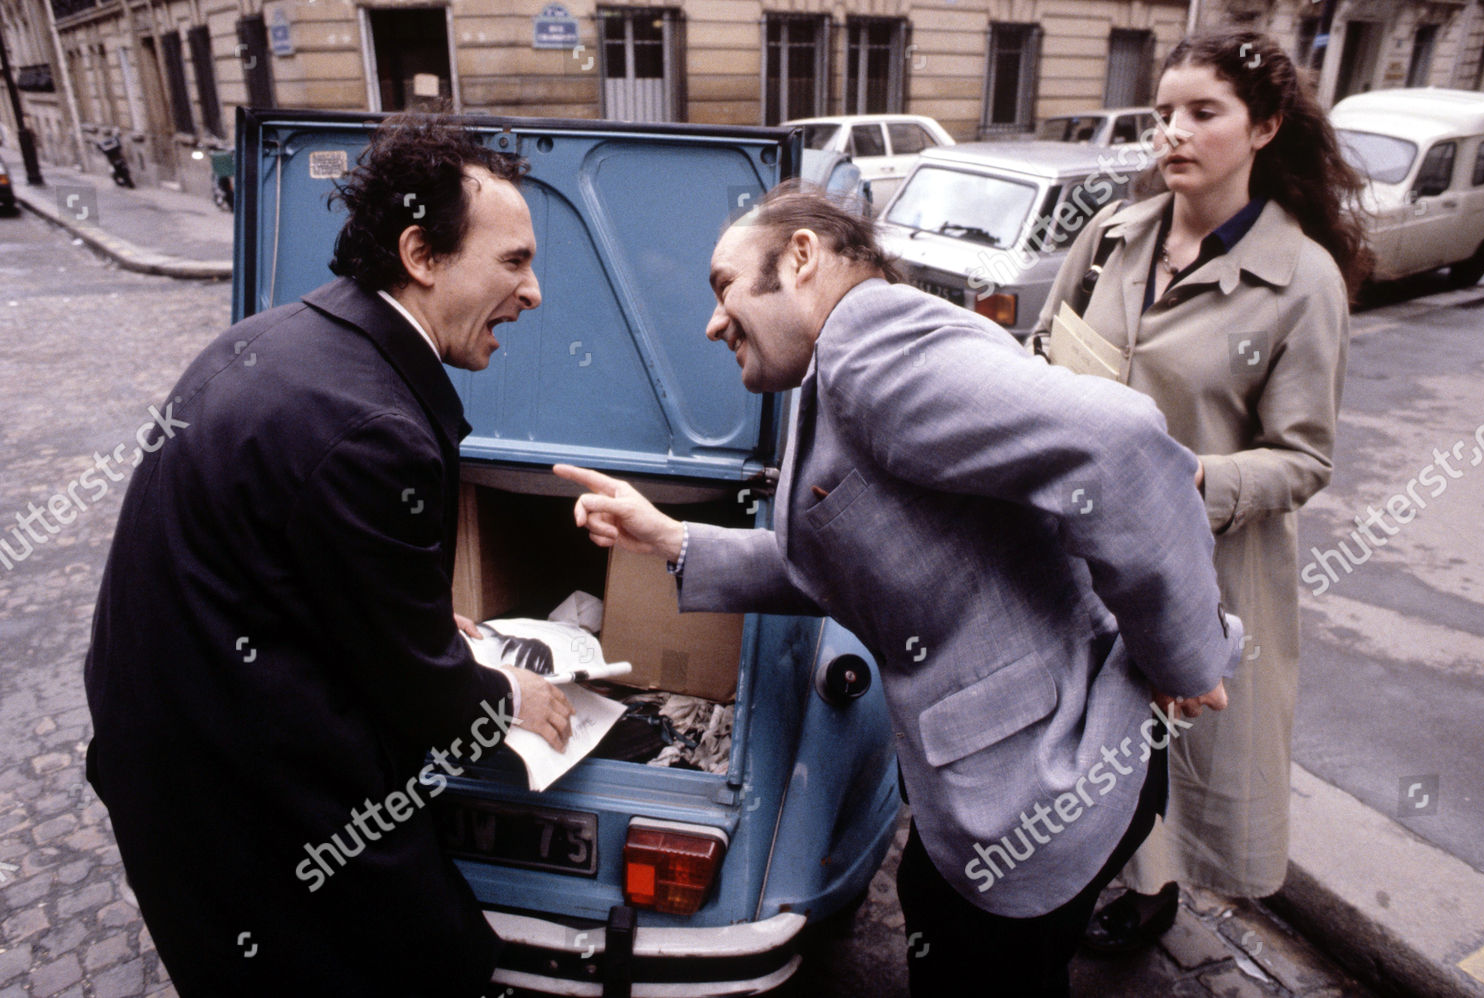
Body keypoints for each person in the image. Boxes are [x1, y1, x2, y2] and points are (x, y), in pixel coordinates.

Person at [553, 181, 1243, 996]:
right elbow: (851, 569)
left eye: (723, 285)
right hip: (994, 781)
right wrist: (671, 540)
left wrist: (1185, 656)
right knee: (938, 916)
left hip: (1043, 776)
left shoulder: (872, 349)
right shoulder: (846, 362)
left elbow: (1122, 450)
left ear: (802, 257)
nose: (712, 321)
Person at [83, 114, 575, 996]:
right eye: (513, 262)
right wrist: (509, 691)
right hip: (251, 815)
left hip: (173, 769)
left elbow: (278, 574)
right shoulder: (372, 427)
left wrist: (417, 620)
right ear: (422, 254)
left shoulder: (272, 339)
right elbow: (421, 698)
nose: (534, 292)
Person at [1029, 31, 1366, 951]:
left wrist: (1187, 476)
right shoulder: (1111, 238)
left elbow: (1304, 460)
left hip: (1202, 575)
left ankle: (1149, 898)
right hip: (1071, 557)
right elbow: (1041, 359)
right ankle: (1068, 891)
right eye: (1163, 114)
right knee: (1068, 743)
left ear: (1262, 128)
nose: (1172, 133)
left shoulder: (1304, 283)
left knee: (1172, 753)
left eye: (1201, 113)